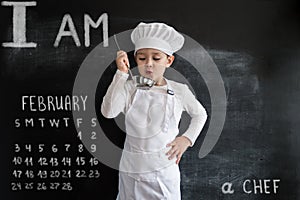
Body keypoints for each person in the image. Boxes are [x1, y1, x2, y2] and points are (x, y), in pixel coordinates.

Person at [101, 22, 207, 200]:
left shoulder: (179, 90)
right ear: (135, 60)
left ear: (169, 60)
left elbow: (200, 114)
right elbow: (108, 112)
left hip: (163, 171)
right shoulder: (129, 87)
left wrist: (186, 140)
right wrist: (120, 74)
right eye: (142, 58)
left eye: (156, 58)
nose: (149, 64)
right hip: (131, 170)